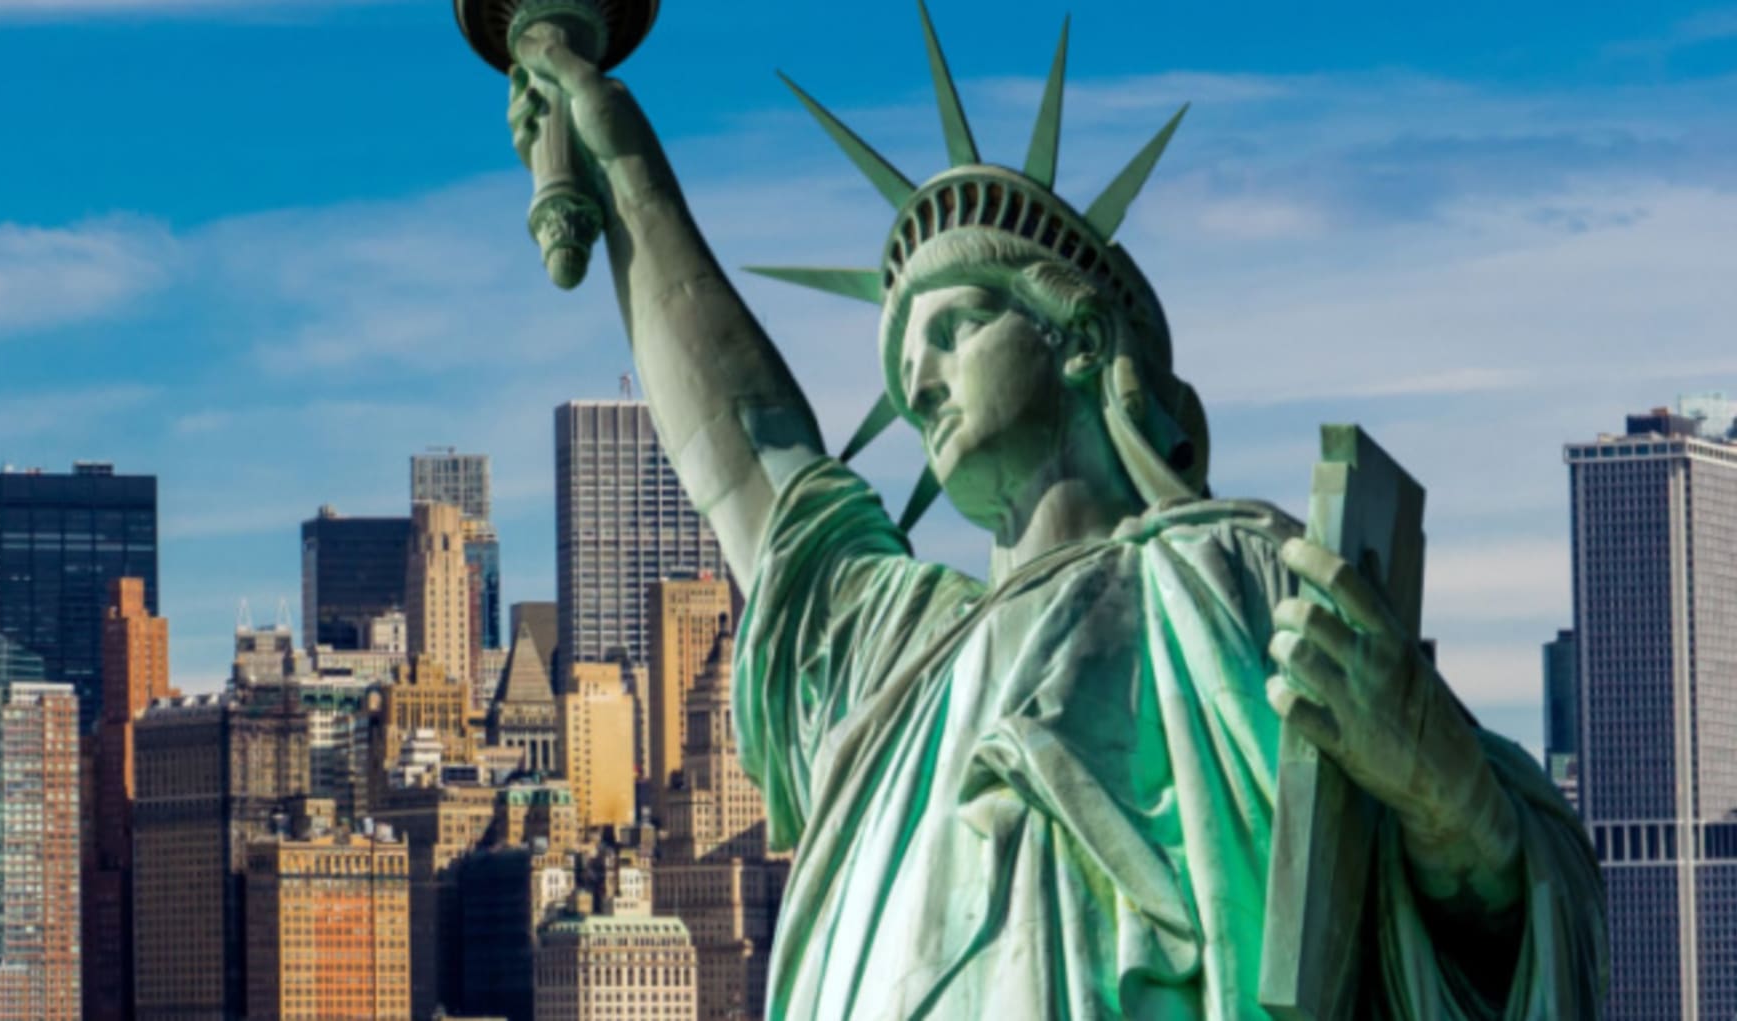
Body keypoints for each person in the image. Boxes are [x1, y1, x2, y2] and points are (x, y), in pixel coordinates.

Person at [491, 8, 1601, 1016]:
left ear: (1076, 337)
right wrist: (618, 153)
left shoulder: (1235, 580)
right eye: (901, 356)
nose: (916, 379)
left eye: (954, 328)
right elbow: (750, 459)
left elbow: (1531, 904)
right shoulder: (901, 653)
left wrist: (1446, 794)